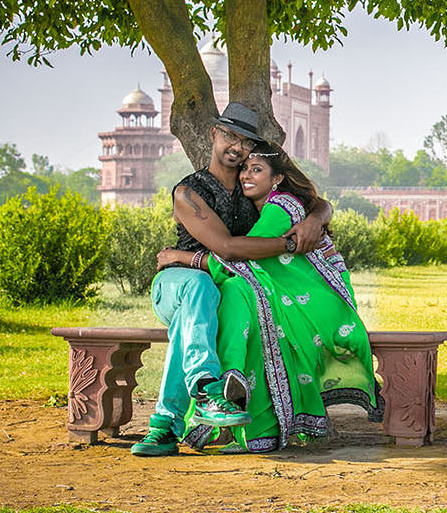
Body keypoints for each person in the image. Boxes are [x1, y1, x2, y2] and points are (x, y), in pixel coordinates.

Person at [130, 102, 333, 457]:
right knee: (198, 289)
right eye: (229, 135)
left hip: (222, 290)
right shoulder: (188, 193)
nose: (236, 147)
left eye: (244, 141)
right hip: (176, 284)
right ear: (213, 134)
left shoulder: (250, 185)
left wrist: (317, 217)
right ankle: (209, 390)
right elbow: (226, 247)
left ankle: (164, 426)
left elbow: (308, 198)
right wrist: (288, 243)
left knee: (199, 314)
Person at [186, 142, 382, 452]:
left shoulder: (280, 208)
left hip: (317, 301)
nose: (246, 176)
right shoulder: (266, 207)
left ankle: (238, 402)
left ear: (276, 179)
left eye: (257, 170)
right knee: (247, 302)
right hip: (301, 296)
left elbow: (235, 254)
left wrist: (181, 258)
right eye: (244, 170)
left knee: (243, 300)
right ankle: (251, 420)